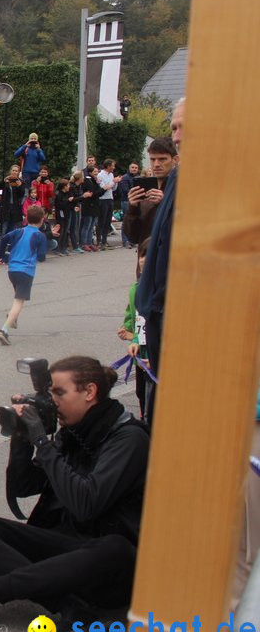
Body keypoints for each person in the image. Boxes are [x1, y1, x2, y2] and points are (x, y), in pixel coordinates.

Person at [0, 357, 149, 632]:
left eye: (59, 393)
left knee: (113, 548)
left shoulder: (129, 439)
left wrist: (43, 442)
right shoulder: (73, 431)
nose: (53, 402)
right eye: (51, 394)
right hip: (63, 546)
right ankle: (69, 607)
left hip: (106, 562)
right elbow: (25, 485)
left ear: (89, 392)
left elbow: (86, 504)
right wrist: (22, 437)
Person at [136, 99, 185, 421]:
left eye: (185, 127)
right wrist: (134, 208)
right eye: (174, 127)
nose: (178, 135)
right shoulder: (179, 181)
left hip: (173, 315)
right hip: (152, 305)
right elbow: (137, 236)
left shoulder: (198, 182)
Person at [0, 204, 51, 346]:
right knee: (19, 301)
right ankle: (4, 330)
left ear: (26, 218)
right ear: (42, 220)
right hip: (26, 271)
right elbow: (42, 257)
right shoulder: (40, 236)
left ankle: (12, 317)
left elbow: (3, 239)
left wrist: (1, 256)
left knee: (17, 298)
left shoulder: (18, 231)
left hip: (12, 269)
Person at [123, 137, 176, 246]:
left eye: (162, 159)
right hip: (146, 258)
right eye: (152, 159)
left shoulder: (182, 188)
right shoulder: (144, 190)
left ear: (175, 160)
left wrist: (164, 204)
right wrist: (133, 208)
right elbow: (133, 236)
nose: (156, 164)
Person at [120, 238, 151, 422]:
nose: (143, 259)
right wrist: (132, 336)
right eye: (141, 255)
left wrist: (137, 338)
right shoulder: (136, 289)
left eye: (149, 255)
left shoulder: (164, 291)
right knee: (141, 392)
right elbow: (134, 317)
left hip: (157, 355)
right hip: (142, 353)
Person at [0, 165, 25, 239]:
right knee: (4, 227)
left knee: (13, 228)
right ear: (10, 171)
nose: (14, 172)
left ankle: (10, 246)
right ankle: (2, 244)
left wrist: (19, 186)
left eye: (16, 171)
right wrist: (4, 181)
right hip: (5, 207)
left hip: (15, 208)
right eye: (13, 170)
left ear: (18, 172)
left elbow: (21, 194)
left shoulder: (20, 182)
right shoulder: (6, 180)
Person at [95, 159, 118, 249]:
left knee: (108, 221)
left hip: (110, 199)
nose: (114, 167)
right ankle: (99, 241)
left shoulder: (111, 174)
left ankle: (104, 240)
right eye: (112, 165)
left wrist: (115, 182)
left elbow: (113, 188)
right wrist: (113, 182)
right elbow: (104, 187)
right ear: (108, 166)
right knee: (101, 220)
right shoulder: (100, 175)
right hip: (102, 199)